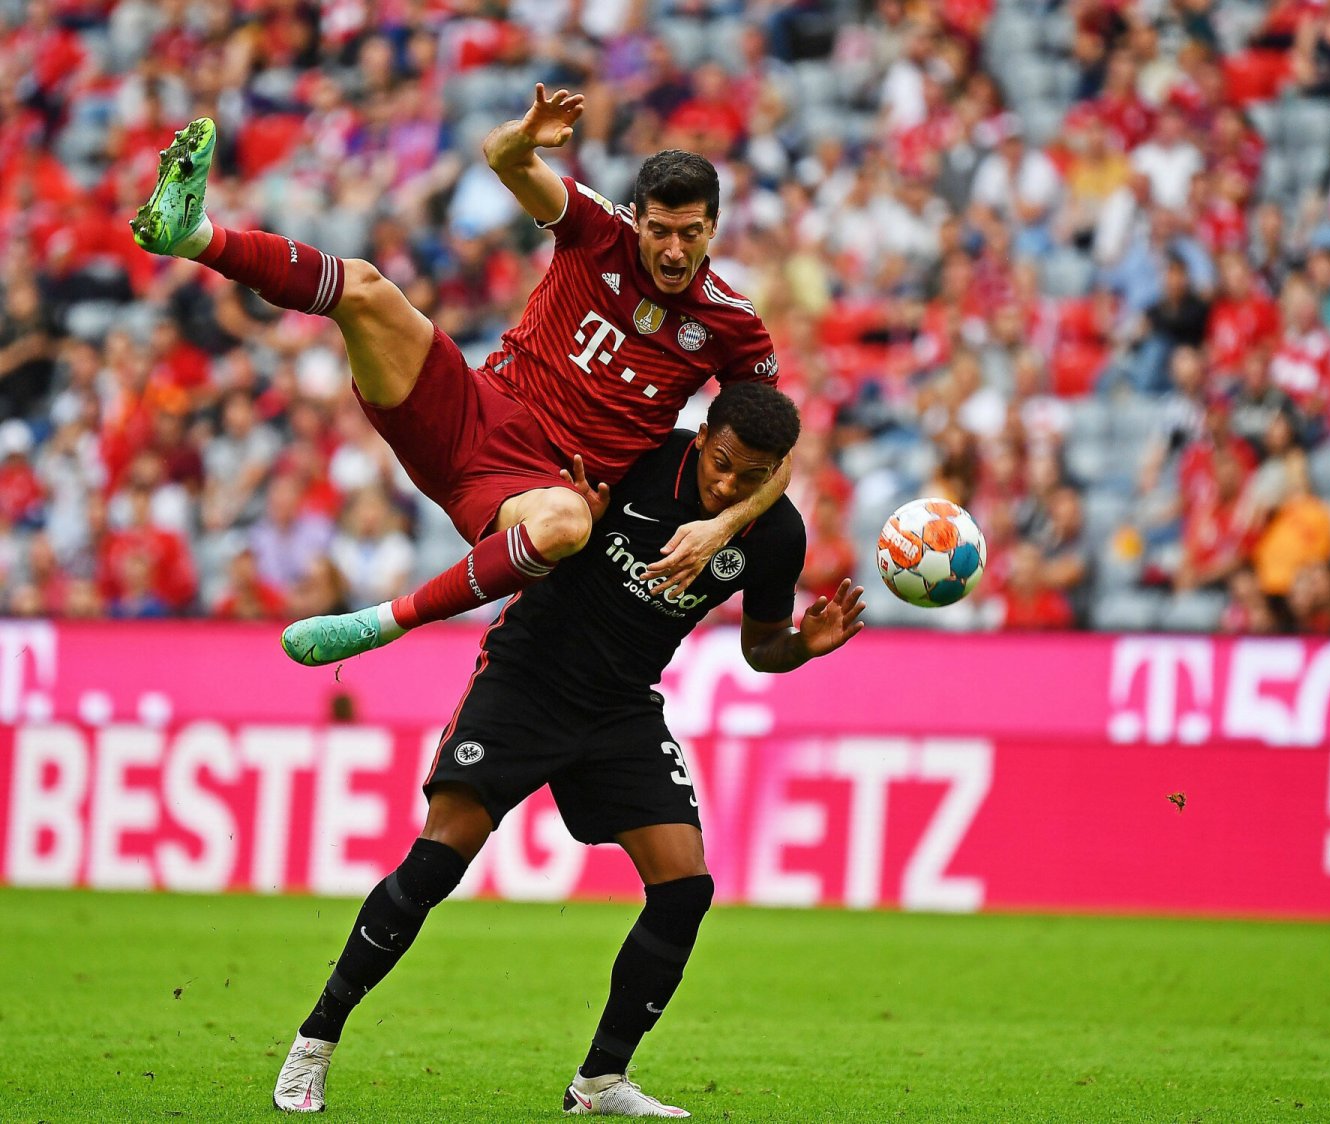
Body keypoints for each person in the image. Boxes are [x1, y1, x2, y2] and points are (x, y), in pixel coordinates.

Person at [270, 383, 866, 1116]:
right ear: (703, 433)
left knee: (685, 889)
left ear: (777, 472)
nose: (727, 486)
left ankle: (599, 1083)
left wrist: (803, 645)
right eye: (721, 463)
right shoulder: (639, 459)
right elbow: (534, 528)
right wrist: (576, 512)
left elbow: (761, 647)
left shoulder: (775, 535)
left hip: (621, 707)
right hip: (528, 677)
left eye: (752, 476)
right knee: (438, 859)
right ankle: (315, 1042)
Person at [129, 87, 788, 668]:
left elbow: (776, 450)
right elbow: (503, 158)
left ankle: (383, 623)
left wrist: (721, 527)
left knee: (567, 524)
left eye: (690, 234)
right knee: (365, 288)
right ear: (636, 219)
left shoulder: (731, 325)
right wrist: (523, 138)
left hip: (534, 484)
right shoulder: (597, 228)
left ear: (714, 228)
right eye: (659, 231)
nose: (673, 250)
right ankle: (193, 236)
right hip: (471, 408)